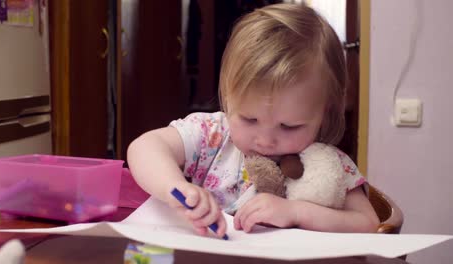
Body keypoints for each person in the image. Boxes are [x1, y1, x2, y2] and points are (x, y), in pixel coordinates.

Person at [127, 3, 380, 238]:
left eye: (289, 126)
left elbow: (368, 223)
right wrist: (176, 188)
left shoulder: (328, 164)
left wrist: (297, 212)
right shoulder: (213, 135)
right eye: (249, 119)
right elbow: (144, 147)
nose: (266, 140)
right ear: (229, 98)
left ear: (324, 113)